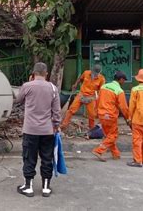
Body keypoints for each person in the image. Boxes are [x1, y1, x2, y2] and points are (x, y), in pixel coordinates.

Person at [16, 62, 62, 197]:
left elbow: (19, 100)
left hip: (30, 130)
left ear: (33, 74)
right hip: (47, 131)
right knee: (47, 158)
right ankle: (46, 188)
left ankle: (28, 187)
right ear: (46, 74)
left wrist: (29, 83)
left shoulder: (27, 86)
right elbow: (57, 111)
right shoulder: (53, 88)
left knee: (29, 158)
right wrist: (56, 125)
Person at [92, 71, 129, 162]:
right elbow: (124, 107)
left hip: (101, 114)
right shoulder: (119, 91)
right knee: (113, 135)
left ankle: (116, 154)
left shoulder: (104, 86)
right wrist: (128, 118)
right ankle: (99, 150)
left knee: (109, 135)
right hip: (110, 115)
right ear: (120, 79)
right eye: (124, 80)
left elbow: (97, 100)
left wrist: (96, 112)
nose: (124, 82)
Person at [60, 64, 105, 130]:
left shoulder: (101, 79)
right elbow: (80, 79)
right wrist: (75, 84)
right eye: (93, 72)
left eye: (96, 73)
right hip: (81, 95)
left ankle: (91, 128)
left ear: (99, 73)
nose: (94, 74)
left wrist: (94, 98)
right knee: (71, 110)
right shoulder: (86, 73)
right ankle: (64, 125)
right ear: (91, 70)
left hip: (91, 98)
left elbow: (100, 91)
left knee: (92, 115)